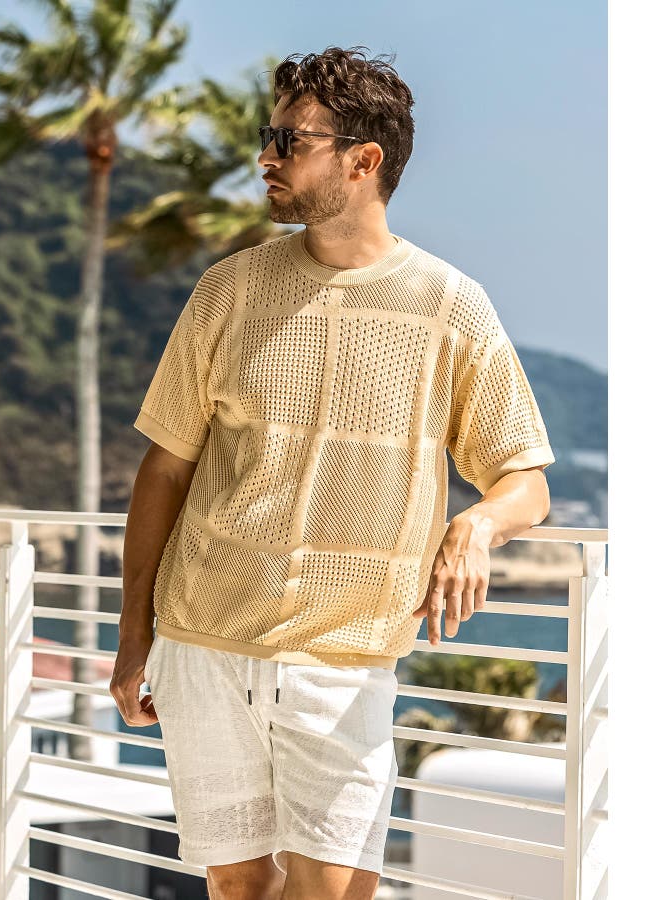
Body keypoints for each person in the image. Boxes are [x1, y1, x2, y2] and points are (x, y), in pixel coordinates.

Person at [111, 45, 554, 900]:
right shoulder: (228, 291)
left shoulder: (449, 306)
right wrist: (136, 635)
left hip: (344, 661)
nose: (266, 157)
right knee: (238, 887)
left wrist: (477, 524)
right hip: (202, 642)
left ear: (363, 160)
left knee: (334, 890)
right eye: (268, 136)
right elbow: (164, 471)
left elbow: (525, 481)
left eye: (290, 140)